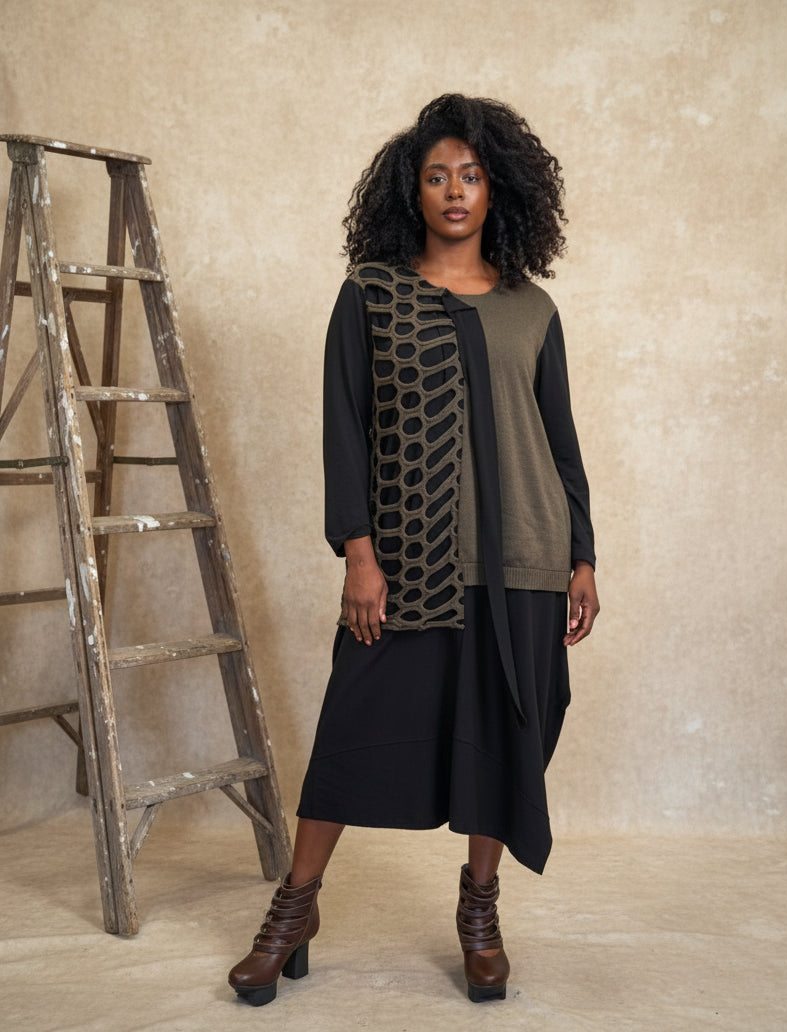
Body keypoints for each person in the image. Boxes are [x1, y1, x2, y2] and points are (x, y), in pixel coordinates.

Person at [228, 93, 599, 1007]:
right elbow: (344, 432)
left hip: (523, 562)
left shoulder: (532, 309)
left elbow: (560, 443)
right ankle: (295, 908)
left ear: (497, 187)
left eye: (470, 175)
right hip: (409, 562)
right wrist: (360, 553)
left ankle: (480, 909)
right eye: (437, 176)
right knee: (352, 732)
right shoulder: (371, 293)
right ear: (412, 190)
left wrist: (582, 556)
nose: (454, 191)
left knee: (504, 740)